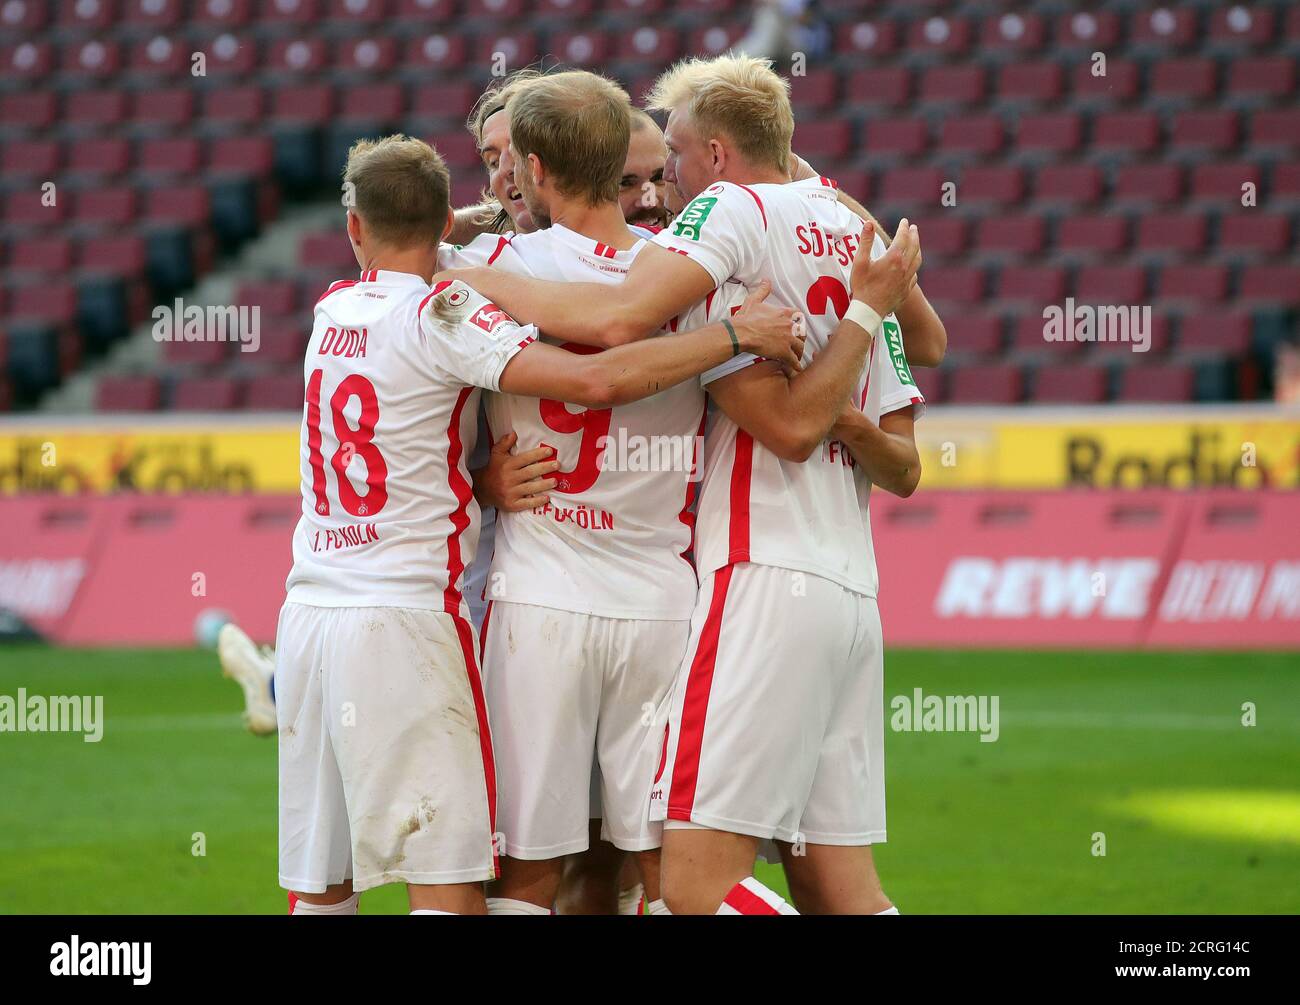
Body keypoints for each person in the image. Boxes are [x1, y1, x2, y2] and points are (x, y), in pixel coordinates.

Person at [437, 53, 936, 914]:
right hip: (755, 593)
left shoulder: (691, 251)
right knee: (810, 879)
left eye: (670, 157)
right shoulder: (818, 238)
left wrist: (458, 270)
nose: (665, 177)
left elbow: (613, 329)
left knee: (634, 881)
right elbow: (923, 341)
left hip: (695, 586)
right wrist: (852, 281)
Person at [276, 132, 802, 916]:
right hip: (413, 619)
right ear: (446, 216)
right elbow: (593, 375)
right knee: (455, 888)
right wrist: (733, 335)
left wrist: (479, 484)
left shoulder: (329, 312)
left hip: (311, 613)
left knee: (322, 885)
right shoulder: (444, 312)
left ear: (355, 229)